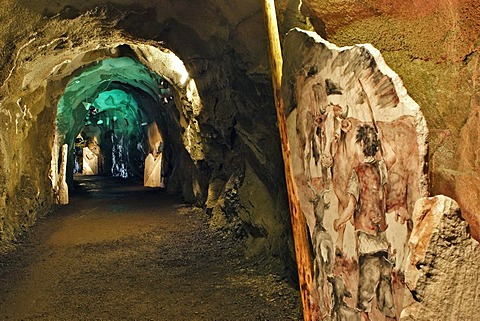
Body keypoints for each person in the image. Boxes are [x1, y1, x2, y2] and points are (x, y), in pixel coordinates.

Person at [333, 124, 397, 321]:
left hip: (367, 239)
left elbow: (351, 206)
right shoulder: (381, 168)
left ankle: (366, 316)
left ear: (361, 145)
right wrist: (383, 138)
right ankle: (389, 315)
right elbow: (392, 156)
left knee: (367, 286)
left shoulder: (357, 173)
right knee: (385, 283)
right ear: (376, 146)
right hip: (381, 236)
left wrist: (338, 221)